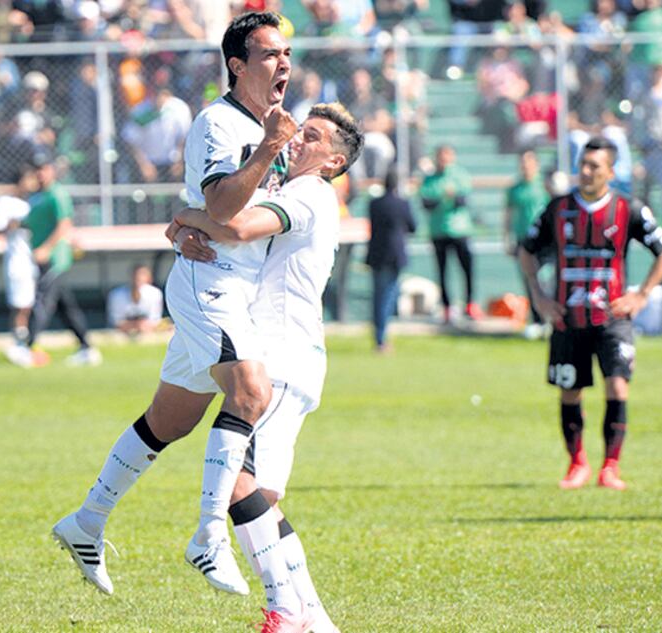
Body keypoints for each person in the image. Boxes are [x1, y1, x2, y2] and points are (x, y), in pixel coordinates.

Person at [52, 11, 300, 630]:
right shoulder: (219, 122)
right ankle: (209, 536)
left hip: (236, 285)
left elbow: (210, 206)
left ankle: (86, 521)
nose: (284, 65)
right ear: (237, 65)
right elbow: (219, 201)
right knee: (250, 392)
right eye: (270, 55)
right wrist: (261, 155)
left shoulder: (275, 126)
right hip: (209, 283)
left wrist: (183, 216)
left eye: (287, 54)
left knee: (171, 419)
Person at [169, 102, 363, 633]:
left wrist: (185, 217)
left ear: (333, 163)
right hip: (292, 357)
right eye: (302, 130)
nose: (298, 139)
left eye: (313, 137)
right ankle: (313, 619)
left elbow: (238, 226)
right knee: (262, 499)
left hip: (279, 356)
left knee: (237, 485)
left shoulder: (310, 194)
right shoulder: (297, 190)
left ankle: (285, 611)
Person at [518, 136, 662, 491]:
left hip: (613, 319)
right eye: (582, 165)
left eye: (594, 167)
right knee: (569, 392)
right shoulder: (558, 209)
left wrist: (642, 294)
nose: (586, 172)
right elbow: (526, 251)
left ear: (611, 171)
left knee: (617, 386)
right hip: (566, 318)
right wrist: (540, 297)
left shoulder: (629, 209)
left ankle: (611, 467)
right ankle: (577, 464)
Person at [4, 150, 102, 368]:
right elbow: (32, 222)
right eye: (36, 170)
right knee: (65, 306)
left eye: (43, 169)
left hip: (54, 258)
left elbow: (63, 224)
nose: (40, 174)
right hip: (39, 258)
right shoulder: (38, 195)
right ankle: (86, 347)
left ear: (52, 170)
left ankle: (26, 347)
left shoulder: (57, 194)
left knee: (42, 301)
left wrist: (47, 249)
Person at [419, 144, 483, 323]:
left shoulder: (460, 176)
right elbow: (426, 203)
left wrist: (451, 197)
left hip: (460, 230)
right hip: (439, 231)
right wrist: (443, 198)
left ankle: (470, 303)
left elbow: (463, 199)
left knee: (467, 268)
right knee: (442, 270)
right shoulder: (430, 180)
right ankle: (447, 307)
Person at [366, 169, 416, 353]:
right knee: (387, 295)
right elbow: (413, 226)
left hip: (377, 254)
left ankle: (380, 337)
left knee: (379, 295)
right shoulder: (402, 204)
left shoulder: (374, 204)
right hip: (394, 254)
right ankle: (382, 338)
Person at [0, 169, 37, 346]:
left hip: (35, 258)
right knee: (20, 302)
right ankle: (19, 341)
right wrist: (13, 225)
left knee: (32, 302)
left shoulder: (35, 201)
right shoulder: (6, 202)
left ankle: (26, 341)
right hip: (18, 258)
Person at [505, 149, 550, 327]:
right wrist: (506, 237)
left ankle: (551, 317)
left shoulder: (544, 186)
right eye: (522, 163)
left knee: (547, 278)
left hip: (544, 240)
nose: (525, 167)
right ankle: (537, 320)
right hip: (523, 240)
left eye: (529, 163)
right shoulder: (514, 189)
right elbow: (508, 214)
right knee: (529, 279)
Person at [106, 264, 165, 336]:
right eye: (136, 276)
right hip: (121, 334)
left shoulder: (155, 294)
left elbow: (155, 321)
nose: (138, 279)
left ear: (149, 279)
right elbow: (115, 322)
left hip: (148, 334)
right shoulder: (116, 295)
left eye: (142, 276)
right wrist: (134, 326)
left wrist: (143, 326)